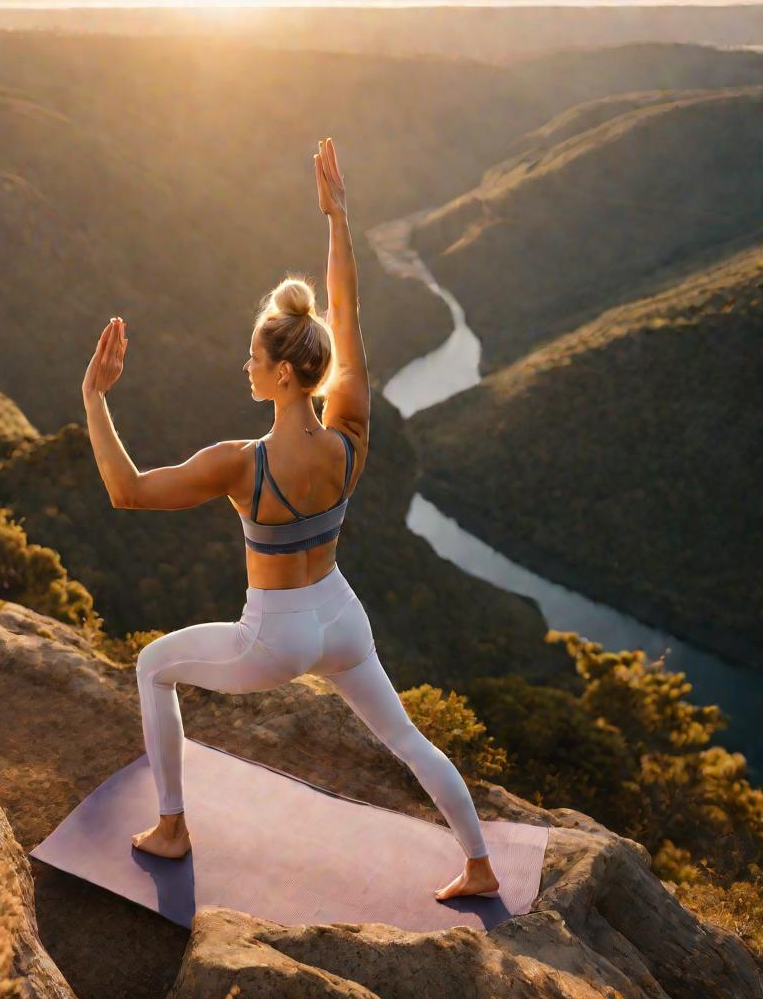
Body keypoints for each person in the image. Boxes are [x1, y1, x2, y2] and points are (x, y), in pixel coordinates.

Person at [82, 137, 499, 901]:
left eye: (251, 356)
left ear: (280, 372)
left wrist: (95, 398)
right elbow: (347, 309)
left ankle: (172, 826)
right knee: (405, 738)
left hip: (272, 636)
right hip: (342, 616)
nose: (242, 365)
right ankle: (477, 864)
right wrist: (338, 220)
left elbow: (128, 491)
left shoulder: (239, 463)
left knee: (151, 668)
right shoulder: (350, 431)